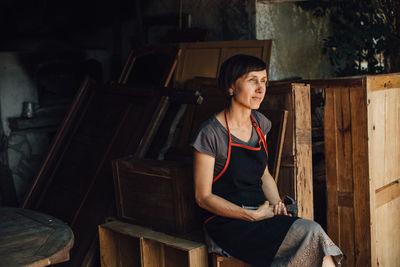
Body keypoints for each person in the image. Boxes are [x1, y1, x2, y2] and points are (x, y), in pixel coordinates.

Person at [191, 54, 343, 267]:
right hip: (228, 224)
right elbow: (203, 197)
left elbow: (264, 175)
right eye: (252, 80)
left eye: (263, 81)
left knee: (314, 245)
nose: (260, 89)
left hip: (260, 213)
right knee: (311, 233)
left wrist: (277, 205)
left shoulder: (260, 124)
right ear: (230, 87)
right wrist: (250, 215)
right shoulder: (210, 134)